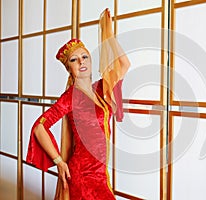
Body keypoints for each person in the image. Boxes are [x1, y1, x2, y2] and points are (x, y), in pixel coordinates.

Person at [26, 8, 130, 200]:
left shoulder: (100, 89)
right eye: (74, 60)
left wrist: (109, 34)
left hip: (99, 174)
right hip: (82, 174)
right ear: (70, 69)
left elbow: (124, 64)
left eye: (85, 56)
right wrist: (59, 161)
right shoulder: (70, 97)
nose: (81, 61)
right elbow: (39, 127)